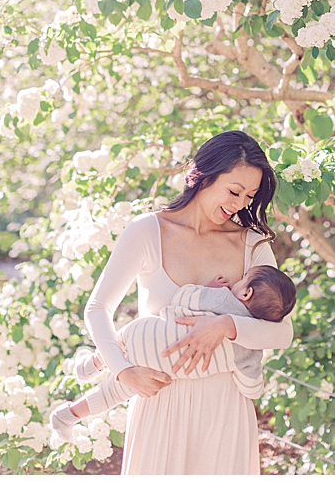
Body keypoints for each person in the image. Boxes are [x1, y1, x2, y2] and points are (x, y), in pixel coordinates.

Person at [81, 130, 293, 474]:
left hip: (225, 405)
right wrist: (124, 371)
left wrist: (226, 325)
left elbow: (282, 334)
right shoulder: (147, 232)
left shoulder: (253, 245)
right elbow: (98, 308)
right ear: (204, 177)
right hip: (160, 398)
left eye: (250, 196)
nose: (240, 204)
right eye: (234, 191)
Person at [50, 265, 296, 441]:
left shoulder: (222, 299)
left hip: (148, 332)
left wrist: (207, 289)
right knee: (112, 393)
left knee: (123, 341)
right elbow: (252, 389)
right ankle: (67, 416)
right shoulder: (250, 349)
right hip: (160, 370)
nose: (235, 283)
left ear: (246, 293)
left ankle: (91, 363)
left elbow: (183, 297)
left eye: (241, 281)